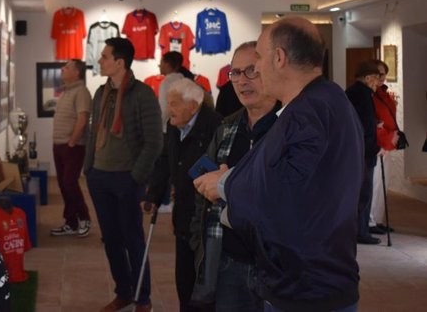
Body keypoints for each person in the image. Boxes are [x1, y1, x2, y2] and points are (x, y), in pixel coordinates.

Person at [195, 17, 365, 312]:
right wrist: (233, 180)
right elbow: (296, 180)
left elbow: (280, 201)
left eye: (259, 57)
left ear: (278, 57)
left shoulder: (305, 113)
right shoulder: (326, 100)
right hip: (315, 277)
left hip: (306, 288)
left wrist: (224, 185)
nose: (256, 69)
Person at [190, 41, 279, 312]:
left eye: (252, 71)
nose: (242, 81)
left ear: (272, 70)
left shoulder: (288, 127)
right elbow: (203, 186)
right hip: (229, 261)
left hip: (276, 263)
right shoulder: (227, 127)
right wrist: (199, 243)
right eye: (236, 73)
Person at [84, 37, 163, 312]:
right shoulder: (99, 93)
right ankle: (124, 291)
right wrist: (89, 169)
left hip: (127, 179)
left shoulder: (142, 94)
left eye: (105, 56)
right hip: (99, 178)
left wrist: (136, 177)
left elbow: (154, 141)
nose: (100, 60)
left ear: (120, 62)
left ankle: (143, 298)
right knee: (111, 239)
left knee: (133, 239)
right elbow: (93, 134)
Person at [145, 78, 221, 312]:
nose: (170, 109)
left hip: (206, 218)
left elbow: (212, 168)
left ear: (194, 105)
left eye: (175, 104)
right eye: (169, 103)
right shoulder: (174, 125)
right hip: (184, 215)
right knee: (184, 280)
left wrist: (188, 178)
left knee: (204, 283)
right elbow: (164, 161)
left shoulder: (215, 127)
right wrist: (154, 195)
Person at [50, 59, 93, 237]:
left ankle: (84, 218)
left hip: (72, 147)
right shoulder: (66, 92)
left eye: (66, 67)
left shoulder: (81, 91)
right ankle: (71, 222)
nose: (62, 69)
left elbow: (82, 119)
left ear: (77, 72)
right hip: (59, 145)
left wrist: (72, 142)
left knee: (69, 183)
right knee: (63, 185)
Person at [346, 59, 383, 245]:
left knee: (362, 193)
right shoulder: (361, 95)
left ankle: (360, 230)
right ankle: (360, 232)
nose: (378, 82)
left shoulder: (357, 93)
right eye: (376, 77)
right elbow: (363, 126)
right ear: (368, 78)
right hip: (363, 152)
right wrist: (374, 147)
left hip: (361, 150)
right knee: (363, 193)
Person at [370, 59, 399, 234]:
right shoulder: (370, 95)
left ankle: (378, 219)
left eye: (384, 74)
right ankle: (371, 220)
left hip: (388, 143)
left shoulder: (383, 94)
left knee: (383, 184)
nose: (382, 77)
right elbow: (374, 124)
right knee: (375, 184)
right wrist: (385, 137)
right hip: (378, 144)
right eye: (378, 74)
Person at [158, 51, 186, 132]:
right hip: (183, 125)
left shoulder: (166, 83)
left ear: (167, 65)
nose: (159, 66)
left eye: (161, 63)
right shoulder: (184, 80)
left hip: (168, 127)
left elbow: (163, 108)